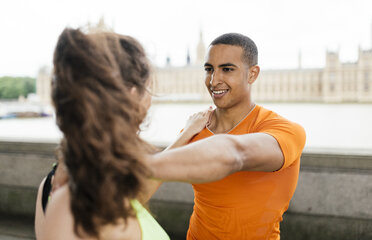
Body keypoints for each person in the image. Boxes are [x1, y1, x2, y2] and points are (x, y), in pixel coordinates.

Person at [36, 27, 212, 240]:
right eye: (147, 89)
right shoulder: (85, 205)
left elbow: (135, 195)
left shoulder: (54, 186)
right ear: (130, 98)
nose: (151, 99)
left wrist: (184, 136)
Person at [149, 33, 306, 239]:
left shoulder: (285, 131)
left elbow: (235, 155)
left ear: (252, 74)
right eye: (209, 69)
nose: (214, 80)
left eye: (227, 69)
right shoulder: (195, 129)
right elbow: (141, 191)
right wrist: (185, 134)